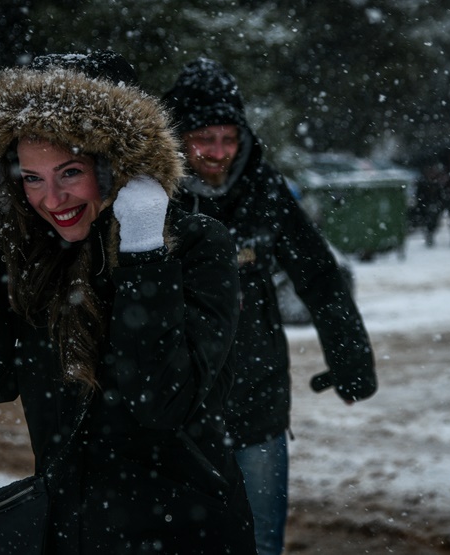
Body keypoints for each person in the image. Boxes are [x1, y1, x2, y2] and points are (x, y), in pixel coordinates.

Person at [0, 52, 256, 554]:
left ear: (118, 166)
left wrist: (145, 254)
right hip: (67, 534)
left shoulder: (195, 245)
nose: (52, 199)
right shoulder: (34, 259)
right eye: (32, 177)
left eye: (69, 171)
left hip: (182, 535)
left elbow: (160, 402)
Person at [161, 57, 378, 555]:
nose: (218, 152)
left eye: (228, 138)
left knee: (259, 544)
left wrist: (350, 360)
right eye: (203, 138)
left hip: (255, 406)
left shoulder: (264, 191)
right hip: (175, 417)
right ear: (178, 137)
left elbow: (321, 277)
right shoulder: (151, 199)